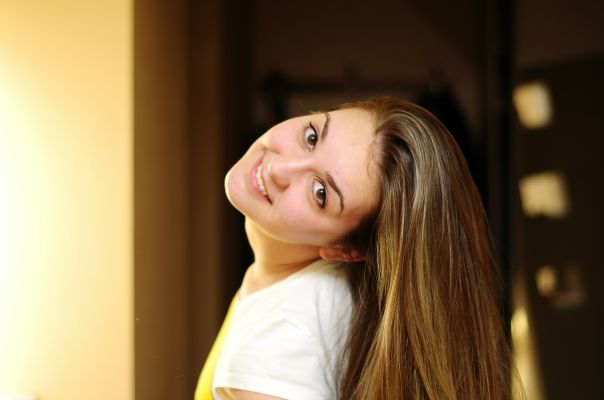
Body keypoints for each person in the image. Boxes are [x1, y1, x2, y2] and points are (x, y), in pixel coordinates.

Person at [195, 97, 513, 400]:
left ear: (344, 249)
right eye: (311, 136)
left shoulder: (277, 344)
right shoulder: (298, 291)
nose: (279, 168)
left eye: (320, 193)